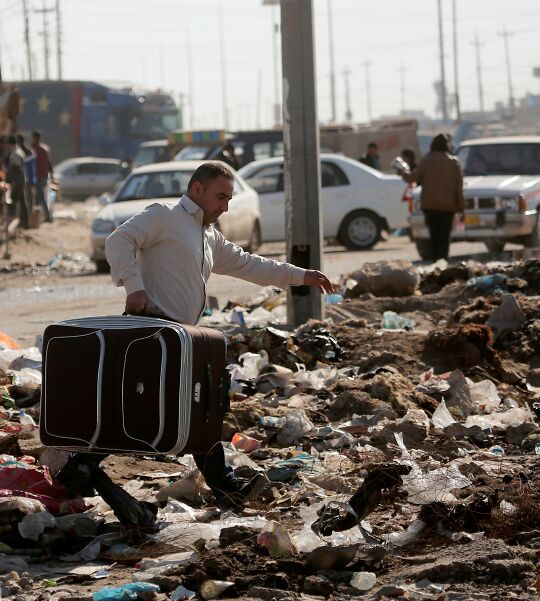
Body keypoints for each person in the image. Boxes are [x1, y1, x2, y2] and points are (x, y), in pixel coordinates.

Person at [55, 161, 335, 532]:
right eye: (221, 196)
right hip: (153, 332)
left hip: (181, 339)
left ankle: (83, 466)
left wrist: (300, 275)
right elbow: (119, 240)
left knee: (184, 410)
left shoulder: (208, 235)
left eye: (230, 198)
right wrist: (133, 285)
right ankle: (224, 489)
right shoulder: (165, 215)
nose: (226, 206)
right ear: (197, 190)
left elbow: (248, 264)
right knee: (181, 410)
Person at [402, 133, 464, 262]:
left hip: (429, 206)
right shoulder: (453, 163)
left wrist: (402, 171)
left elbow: (413, 178)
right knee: (444, 237)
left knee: (434, 236)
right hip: (448, 207)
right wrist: (462, 207)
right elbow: (458, 188)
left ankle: (434, 262)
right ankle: (443, 262)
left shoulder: (426, 161)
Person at [4, 135, 29, 229]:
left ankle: (12, 225)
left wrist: (13, 181)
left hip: (17, 181)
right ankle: (24, 223)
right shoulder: (18, 152)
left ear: (9, 144)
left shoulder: (15, 154)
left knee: (12, 202)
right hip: (21, 180)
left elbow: (16, 169)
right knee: (22, 202)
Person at [32, 130, 54, 222]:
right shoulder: (45, 149)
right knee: (37, 198)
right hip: (43, 176)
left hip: (39, 176)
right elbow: (49, 164)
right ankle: (35, 217)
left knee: (40, 197)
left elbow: (49, 163)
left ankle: (48, 216)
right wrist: (51, 175)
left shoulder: (35, 149)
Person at [17, 134, 37, 214]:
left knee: (26, 198)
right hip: (29, 179)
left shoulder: (21, 152)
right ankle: (28, 215)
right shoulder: (28, 151)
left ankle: (28, 216)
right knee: (28, 199)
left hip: (25, 179)